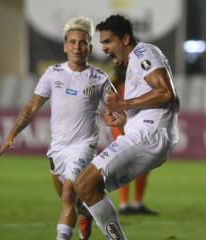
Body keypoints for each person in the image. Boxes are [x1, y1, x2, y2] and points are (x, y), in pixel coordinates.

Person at [0, 16, 125, 240]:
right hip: (58, 148)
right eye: (73, 42)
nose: (77, 46)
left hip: (83, 147)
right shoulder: (53, 73)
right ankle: (86, 211)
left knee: (67, 195)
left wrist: (119, 119)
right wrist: (12, 134)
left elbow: (116, 107)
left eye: (82, 42)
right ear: (65, 46)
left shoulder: (99, 78)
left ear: (89, 47)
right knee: (70, 200)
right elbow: (33, 106)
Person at [74, 14, 179, 239]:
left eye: (109, 41)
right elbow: (153, 101)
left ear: (125, 39)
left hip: (150, 135)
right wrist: (125, 122)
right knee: (88, 188)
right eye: (102, 43)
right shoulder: (134, 63)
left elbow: (165, 93)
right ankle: (92, 211)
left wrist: (123, 103)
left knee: (83, 184)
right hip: (147, 134)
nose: (104, 48)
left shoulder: (143, 52)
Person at [110, 66, 159, 216]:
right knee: (127, 164)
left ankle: (136, 204)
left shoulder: (132, 85)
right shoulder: (118, 87)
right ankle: (125, 205)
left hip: (139, 125)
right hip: (123, 126)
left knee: (143, 165)